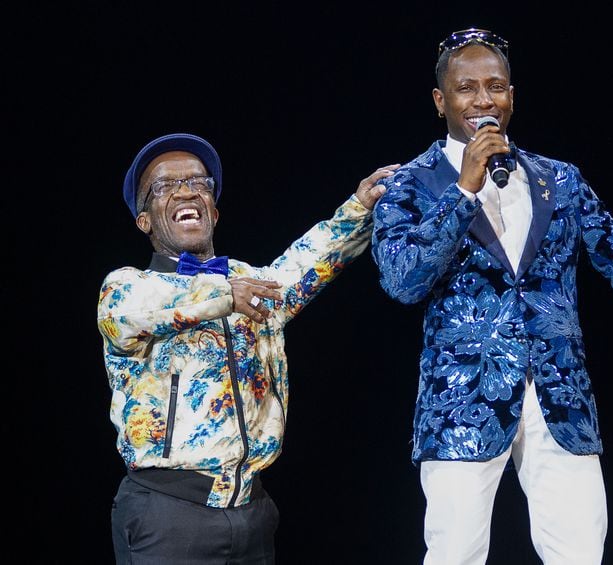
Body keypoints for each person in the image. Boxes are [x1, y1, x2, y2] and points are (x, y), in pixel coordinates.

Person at [371, 28, 613, 565]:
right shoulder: (408, 185)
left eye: (495, 86)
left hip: (559, 393)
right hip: (461, 404)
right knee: (455, 554)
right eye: (466, 88)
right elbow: (403, 280)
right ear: (440, 100)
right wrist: (464, 191)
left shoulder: (558, 179)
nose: (482, 100)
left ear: (512, 96)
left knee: (582, 551)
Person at [97, 132, 398, 563]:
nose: (186, 191)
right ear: (144, 220)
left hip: (251, 513)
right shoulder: (128, 286)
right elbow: (130, 312)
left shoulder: (246, 283)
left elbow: (302, 266)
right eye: (164, 186)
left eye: (200, 183)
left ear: (214, 211)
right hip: (168, 515)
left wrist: (360, 207)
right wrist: (226, 294)